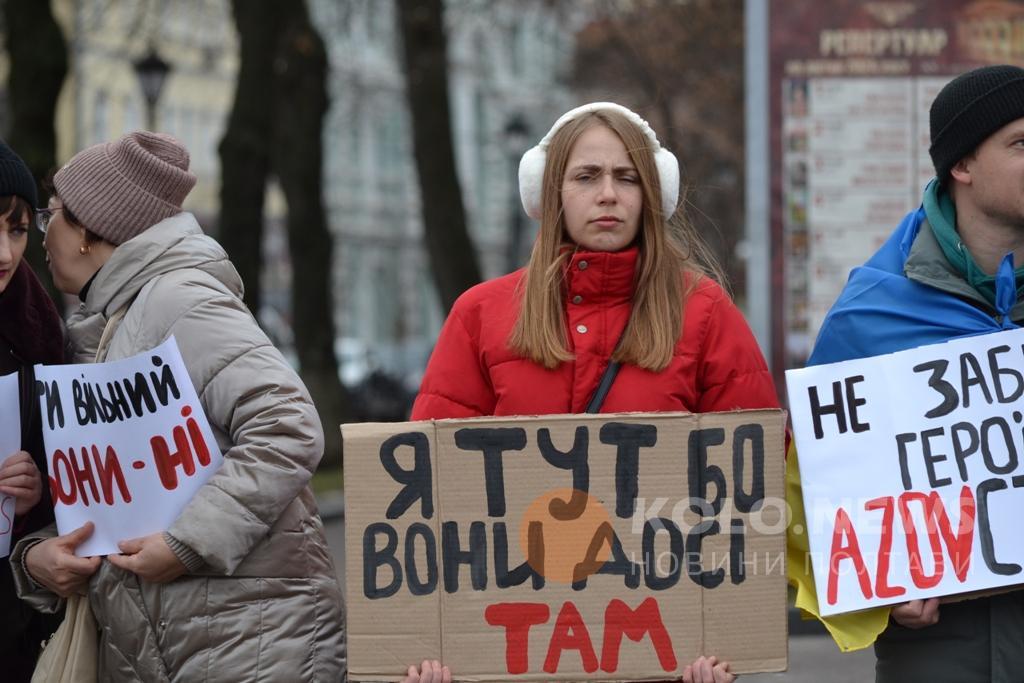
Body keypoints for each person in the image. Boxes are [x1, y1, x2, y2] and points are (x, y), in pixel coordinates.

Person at [412, 102, 778, 683]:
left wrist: (723, 641)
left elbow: (749, 491)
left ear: (652, 194)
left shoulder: (706, 313)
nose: (608, 194)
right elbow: (427, 497)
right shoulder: (479, 315)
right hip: (514, 653)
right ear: (549, 192)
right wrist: (430, 645)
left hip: (660, 655)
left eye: (627, 177)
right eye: (586, 176)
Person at [8, 131, 347, 681]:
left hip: (250, 642)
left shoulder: (178, 301)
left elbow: (287, 424)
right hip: (190, 640)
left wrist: (187, 543)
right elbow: (115, 493)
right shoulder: (111, 323)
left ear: (93, 231)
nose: (46, 238)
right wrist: (37, 559)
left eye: (55, 218)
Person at [790, 64, 1024, 682]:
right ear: (962, 167)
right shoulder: (867, 316)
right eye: (1021, 144)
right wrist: (883, 593)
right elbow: (817, 505)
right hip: (940, 655)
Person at [0, 140, 65, 681]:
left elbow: (61, 478)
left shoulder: (38, 331)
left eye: (16, 230)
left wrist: (35, 491)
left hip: (12, 625)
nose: (4, 252)